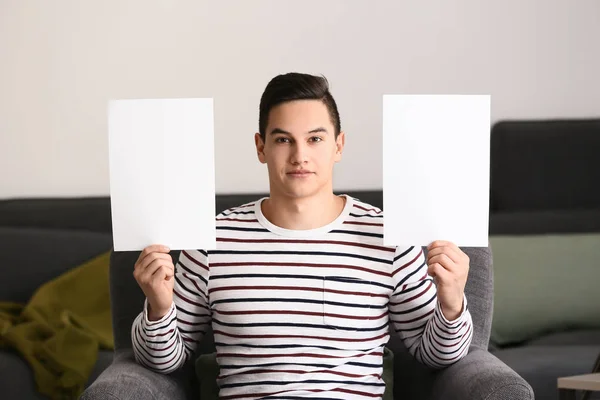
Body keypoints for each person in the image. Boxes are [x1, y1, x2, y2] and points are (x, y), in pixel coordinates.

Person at [131, 72, 473, 399]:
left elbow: (435, 356)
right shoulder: (210, 241)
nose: (299, 156)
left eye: (315, 139)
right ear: (260, 147)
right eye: (283, 140)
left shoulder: (391, 238)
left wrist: (452, 302)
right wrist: (159, 308)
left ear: (338, 145)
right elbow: (163, 361)